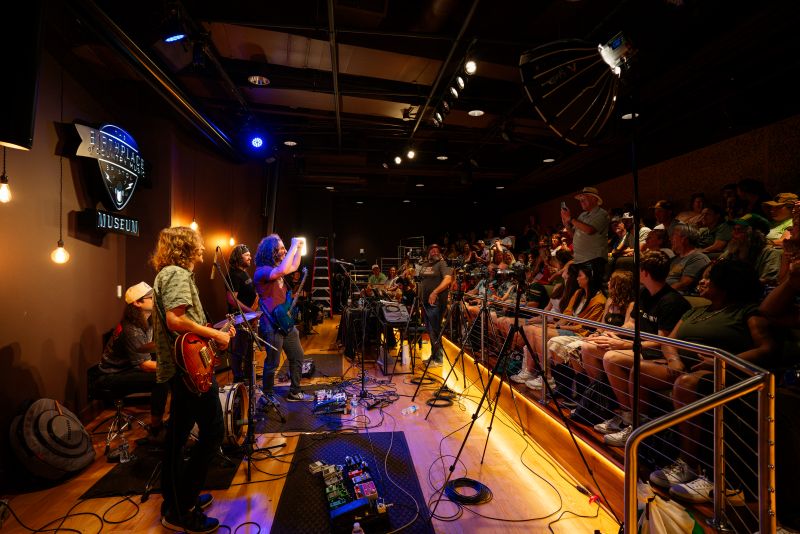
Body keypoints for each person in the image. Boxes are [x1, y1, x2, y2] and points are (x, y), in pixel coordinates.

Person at [151, 226, 233, 533]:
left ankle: (174, 499)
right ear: (186, 248)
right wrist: (215, 334)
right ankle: (184, 508)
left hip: (181, 368)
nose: (201, 251)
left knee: (177, 435)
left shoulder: (167, 274)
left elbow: (186, 325)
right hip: (188, 373)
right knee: (213, 432)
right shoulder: (176, 274)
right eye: (197, 247)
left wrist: (216, 335)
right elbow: (176, 319)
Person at [591, 251, 691, 443]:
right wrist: (611, 333)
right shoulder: (644, 293)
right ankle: (620, 413)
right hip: (636, 345)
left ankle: (632, 422)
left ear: (644, 272)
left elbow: (661, 341)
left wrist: (622, 343)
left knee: (611, 357)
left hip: (654, 352)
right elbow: (631, 325)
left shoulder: (672, 301)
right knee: (590, 347)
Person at [97, 281, 168, 443]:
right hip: (112, 375)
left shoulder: (147, 321)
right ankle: (156, 429)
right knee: (162, 378)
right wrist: (173, 366)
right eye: (152, 297)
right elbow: (144, 365)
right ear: (137, 303)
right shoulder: (132, 329)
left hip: (127, 369)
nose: (156, 300)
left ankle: (171, 421)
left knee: (167, 373)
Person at [254, 234, 312, 403]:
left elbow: (293, 265)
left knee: (298, 355)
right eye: (281, 248)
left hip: (285, 322)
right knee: (273, 362)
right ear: (270, 252)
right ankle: (268, 395)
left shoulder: (277, 268)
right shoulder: (261, 271)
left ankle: (294, 391)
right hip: (271, 324)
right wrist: (293, 245)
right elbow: (281, 270)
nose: (285, 251)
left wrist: (299, 248)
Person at [561, 186, 610, 286]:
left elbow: (589, 230)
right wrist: (566, 222)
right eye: (580, 200)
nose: (581, 202)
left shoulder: (602, 214)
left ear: (594, 198)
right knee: (578, 289)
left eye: (584, 199)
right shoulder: (582, 215)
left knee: (592, 288)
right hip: (580, 260)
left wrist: (571, 219)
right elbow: (573, 234)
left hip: (594, 259)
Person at [226, 244, 258, 383]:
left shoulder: (243, 272)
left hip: (250, 317)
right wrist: (250, 311)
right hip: (240, 319)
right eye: (247, 255)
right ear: (239, 257)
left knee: (249, 349)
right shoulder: (233, 274)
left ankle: (248, 377)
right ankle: (238, 379)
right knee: (239, 350)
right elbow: (232, 300)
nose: (250, 257)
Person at [419, 243, 453, 367]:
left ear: (439, 253)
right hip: (425, 302)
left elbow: (448, 279)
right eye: (431, 250)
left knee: (435, 330)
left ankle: (438, 359)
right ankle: (434, 356)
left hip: (436, 302)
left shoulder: (442, 264)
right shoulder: (425, 265)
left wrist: (435, 292)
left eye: (436, 250)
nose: (434, 252)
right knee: (430, 330)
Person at [665, 223, 710, 294]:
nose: (670, 239)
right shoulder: (675, 259)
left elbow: (683, 285)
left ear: (684, 239)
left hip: (679, 296)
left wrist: (660, 293)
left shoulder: (698, 258)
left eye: (673, 235)